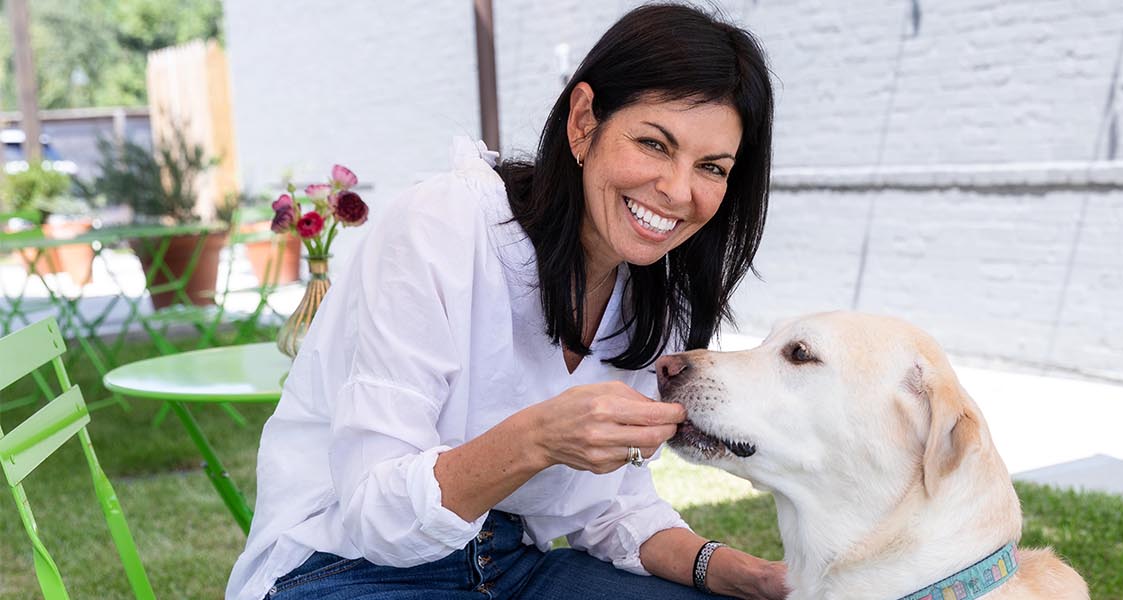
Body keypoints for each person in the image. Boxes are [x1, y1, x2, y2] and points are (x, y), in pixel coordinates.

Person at [226, 4, 783, 599]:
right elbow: (375, 515)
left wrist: (735, 572)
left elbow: (607, 508)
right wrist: (536, 438)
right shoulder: (441, 226)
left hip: (510, 564)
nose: (678, 190)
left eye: (711, 167)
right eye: (653, 144)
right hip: (343, 567)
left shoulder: (652, 291)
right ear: (584, 121)